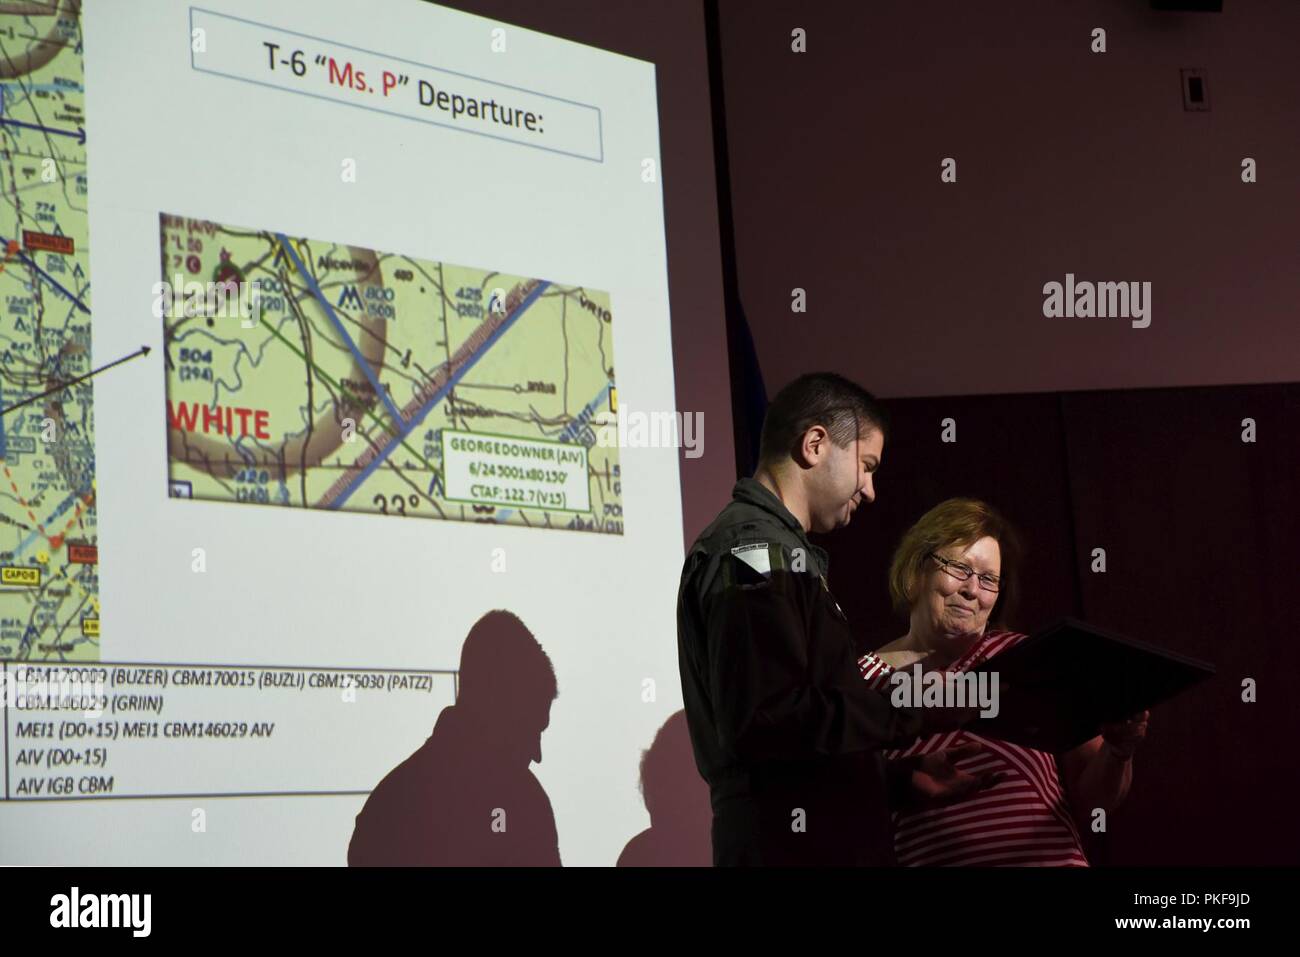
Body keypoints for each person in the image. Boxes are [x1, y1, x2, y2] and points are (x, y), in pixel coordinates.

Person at [677, 372, 982, 866]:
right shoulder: (755, 552)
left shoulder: (779, 553)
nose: (871, 490)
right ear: (815, 444)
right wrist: (915, 707)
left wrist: (894, 781)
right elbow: (772, 720)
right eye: (867, 466)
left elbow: (795, 742)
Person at [859, 498, 1150, 866]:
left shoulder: (1024, 656)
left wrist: (1119, 750)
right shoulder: (860, 680)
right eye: (959, 569)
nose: (972, 590)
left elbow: (1095, 798)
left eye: (988, 580)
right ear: (917, 569)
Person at [348, 610, 561, 866]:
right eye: (529, 730)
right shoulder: (527, 802)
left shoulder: (386, 810)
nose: (537, 754)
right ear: (493, 710)